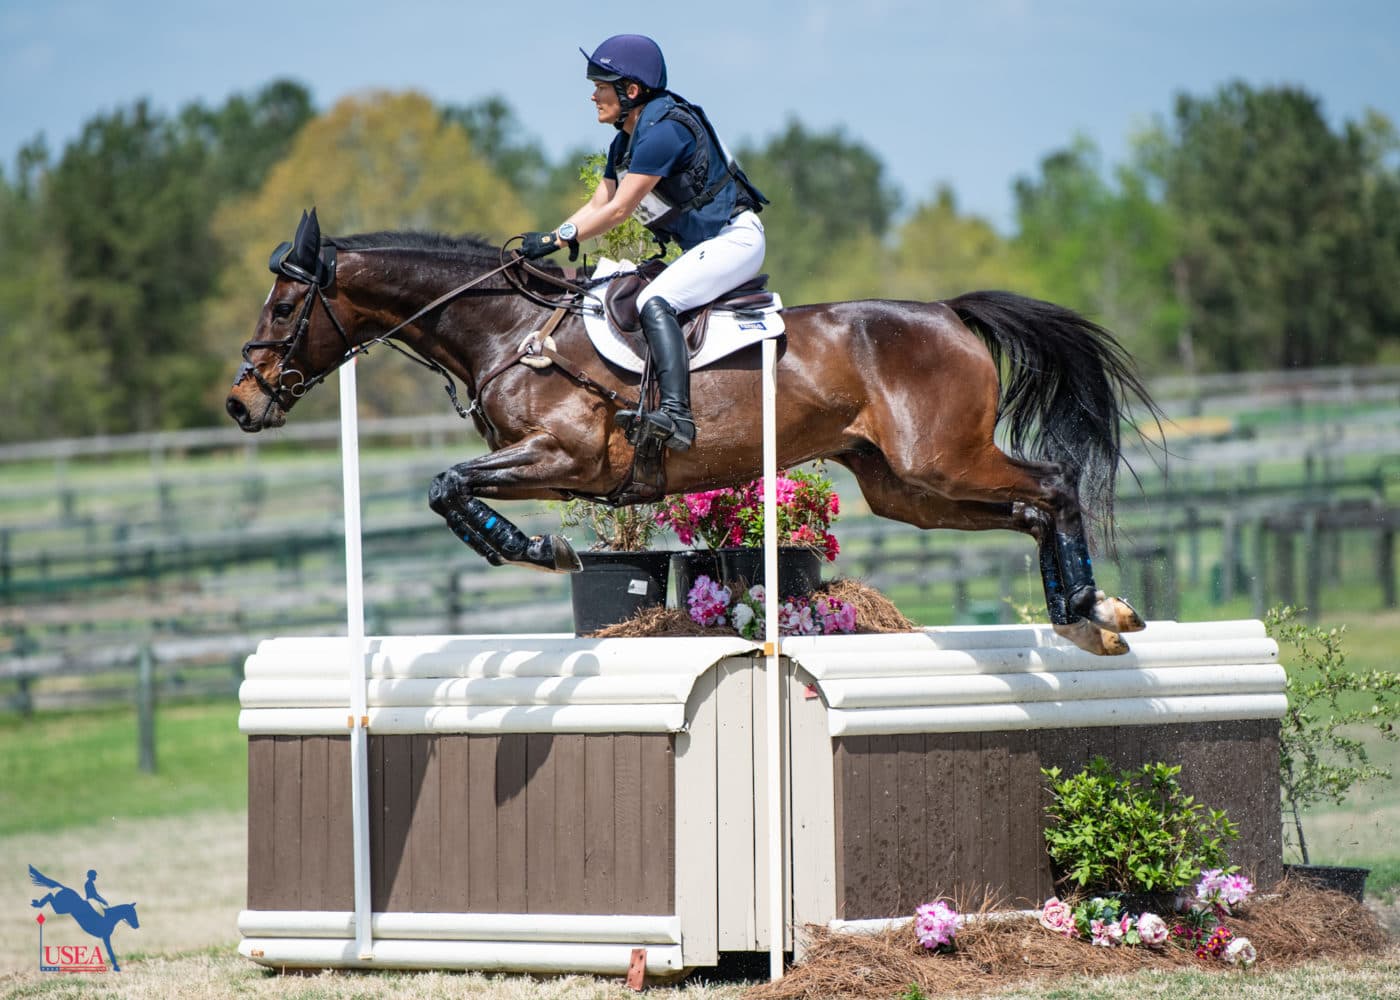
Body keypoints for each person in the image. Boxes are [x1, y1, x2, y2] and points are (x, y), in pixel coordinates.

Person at [518, 34, 768, 452]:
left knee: (655, 300)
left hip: (736, 239)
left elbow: (618, 211)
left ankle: (677, 418)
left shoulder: (664, 133)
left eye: (601, 86)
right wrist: (551, 236)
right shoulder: (625, 140)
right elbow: (599, 201)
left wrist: (558, 239)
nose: (593, 95)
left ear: (630, 91)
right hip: (710, 244)